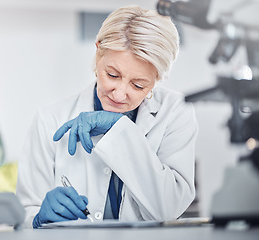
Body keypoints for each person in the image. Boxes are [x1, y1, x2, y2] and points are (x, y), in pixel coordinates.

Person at [16, 5, 198, 229]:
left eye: (138, 85)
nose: (120, 94)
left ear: (156, 80)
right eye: (112, 75)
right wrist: (37, 218)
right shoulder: (50, 119)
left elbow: (169, 209)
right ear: (98, 52)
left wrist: (121, 130)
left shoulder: (175, 112)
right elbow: (24, 214)